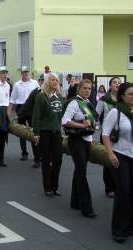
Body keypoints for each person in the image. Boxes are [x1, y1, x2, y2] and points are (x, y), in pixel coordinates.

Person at [62, 79, 98, 218]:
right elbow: (65, 121)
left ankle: (75, 202)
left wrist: (90, 137)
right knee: (82, 172)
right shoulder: (74, 103)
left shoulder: (88, 103)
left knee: (80, 171)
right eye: (85, 88)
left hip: (86, 140)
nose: (87, 91)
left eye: (89, 89)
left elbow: (92, 122)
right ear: (79, 89)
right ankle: (86, 207)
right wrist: (82, 126)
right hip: (76, 141)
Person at [102, 82, 133, 243]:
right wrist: (110, 154)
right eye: (130, 94)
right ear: (122, 96)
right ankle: (119, 230)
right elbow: (105, 134)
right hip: (120, 155)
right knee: (123, 191)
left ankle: (130, 226)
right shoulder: (116, 112)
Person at [32, 74, 63, 196]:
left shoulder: (59, 97)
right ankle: (48, 187)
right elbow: (36, 116)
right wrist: (36, 133)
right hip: (45, 132)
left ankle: (55, 186)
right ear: (47, 82)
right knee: (46, 160)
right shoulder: (41, 96)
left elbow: (61, 116)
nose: (55, 82)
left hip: (56, 132)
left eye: (56, 80)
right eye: (52, 80)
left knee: (58, 160)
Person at [96, 77, 121, 197]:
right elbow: (96, 114)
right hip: (107, 134)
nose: (117, 84)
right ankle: (109, 187)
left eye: (119, 83)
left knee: (120, 160)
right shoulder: (104, 99)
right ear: (110, 86)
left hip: (120, 134)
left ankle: (118, 186)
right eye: (115, 82)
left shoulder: (123, 100)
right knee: (109, 161)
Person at [8, 66, 39, 161]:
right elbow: (13, 99)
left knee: (34, 131)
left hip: (32, 108)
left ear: (29, 72)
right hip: (21, 108)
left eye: (27, 72)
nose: (25, 74)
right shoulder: (17, 84)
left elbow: (39, 96)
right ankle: (24, 153)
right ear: (21, 73)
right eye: (24, 72)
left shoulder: (34, 83)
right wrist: (9, 112)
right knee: (22, 131)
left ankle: (37, 157)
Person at [19, 73, 44, 168]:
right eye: (42, 80)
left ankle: (45, 158)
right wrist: (20, 116)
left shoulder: (53, 92)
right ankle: (37, 159)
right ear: (40, 82)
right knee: (35, 138)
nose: (43, 82)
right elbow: (27, 105)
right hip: (34, 118)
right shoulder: (36, 92)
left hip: (46, 121)